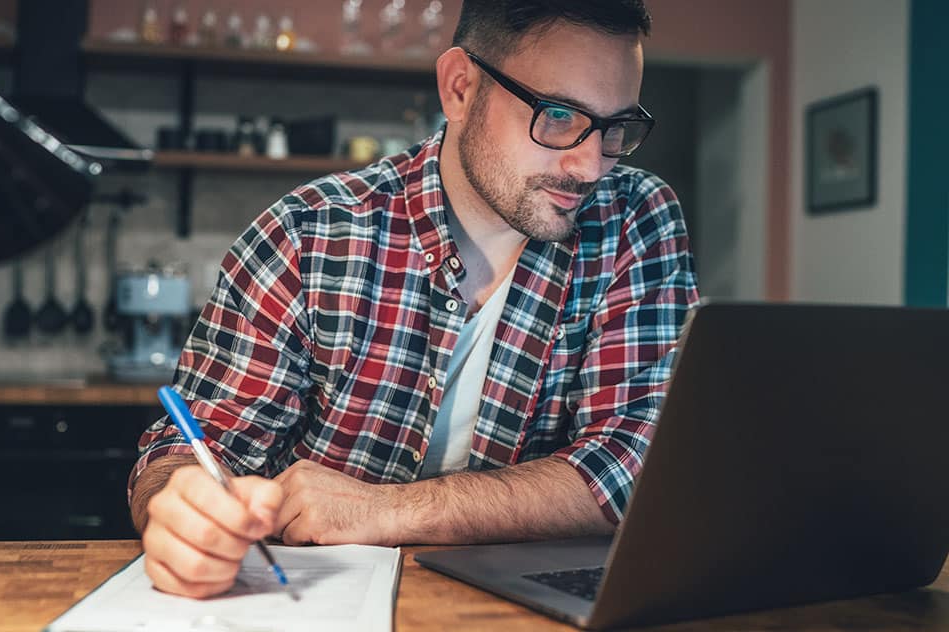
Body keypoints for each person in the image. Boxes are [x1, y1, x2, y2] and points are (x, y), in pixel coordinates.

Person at [129, 0, 700, 599]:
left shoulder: (634, 218)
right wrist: (180, 506)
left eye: (616, 129)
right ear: (460, 88)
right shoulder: (309, 235)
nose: (590, 166)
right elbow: (192, 449)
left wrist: (390, 510)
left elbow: (636, 464)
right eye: (559, 116)